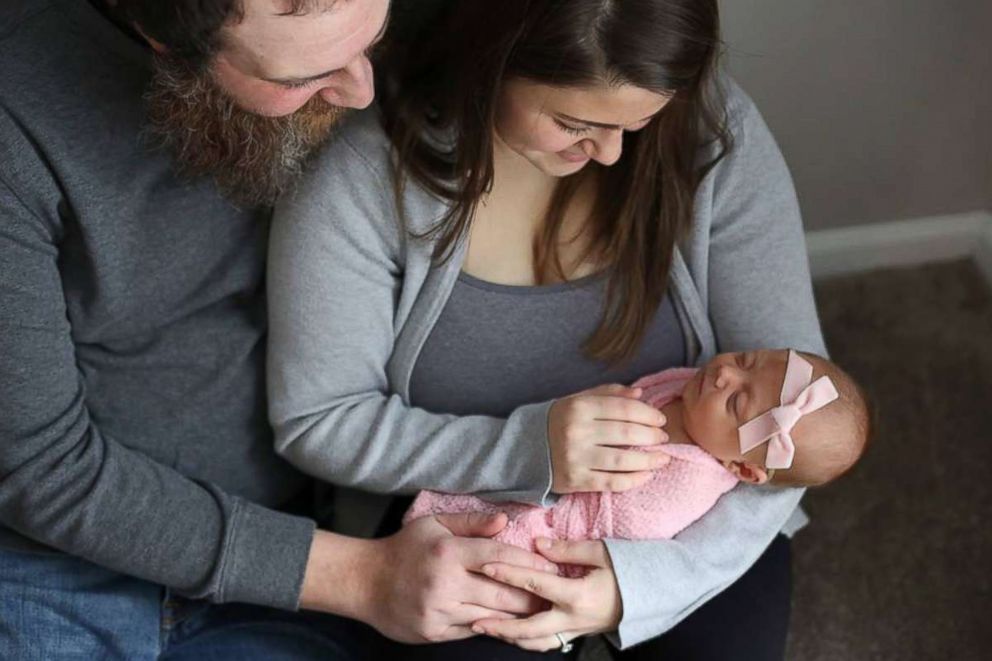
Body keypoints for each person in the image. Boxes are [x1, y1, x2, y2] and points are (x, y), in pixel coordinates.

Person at [267, 0, 827, 658]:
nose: (614, 154)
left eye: (639, 123)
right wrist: (530, 449)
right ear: (492, 59)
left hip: (694, 525)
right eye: (575, 122)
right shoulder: (363, 175)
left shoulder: (709, 131)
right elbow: (317, 418)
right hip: (470, 520)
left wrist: (636, 585)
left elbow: (796, 423)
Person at [0, 1, 560, 658]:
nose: (362, 92)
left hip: (287, 544)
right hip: (56, 568)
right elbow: (44, 469)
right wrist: (364, 577)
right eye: (302, 79)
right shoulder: (19, 115)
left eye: (372, 42)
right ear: (162, 41)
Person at [404, 349, 872, 574]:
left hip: (557, 529)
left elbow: (609, 526)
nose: (725, 373)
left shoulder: (682, 486)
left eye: (736, 404)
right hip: (552, 460)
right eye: (748, 359)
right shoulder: (689, 387)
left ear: (742, 470)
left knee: (479, 559)